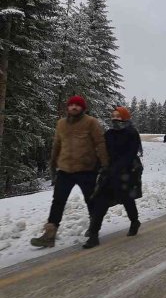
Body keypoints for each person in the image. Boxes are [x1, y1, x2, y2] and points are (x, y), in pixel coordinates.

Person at [30, 96, 109, 248]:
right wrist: (52, 164)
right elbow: (57, 144)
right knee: (57, 202)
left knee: (91, 201)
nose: (74, 107)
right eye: (71, 105)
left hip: (87, 170)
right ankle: (49, 235)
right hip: (65, 170)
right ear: (67, 108)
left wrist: (105, 165)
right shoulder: (61, 124)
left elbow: (100, 143)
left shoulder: (91, 122)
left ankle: (93, 233)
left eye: (77, 105)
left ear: (83, 108)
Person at [84, 106, 143, 249]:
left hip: (126, 174)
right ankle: (93, 235)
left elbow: (130, 154)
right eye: (113, 116)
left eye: (118, 116)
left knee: (127, 200)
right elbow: (103, 152)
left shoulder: (131, 133)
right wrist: (98, 166)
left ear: (125, 117)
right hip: (109, 175)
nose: (115, 118)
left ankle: (134, 221)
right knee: (100, 202)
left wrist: (117, 168)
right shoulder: (109, 133)